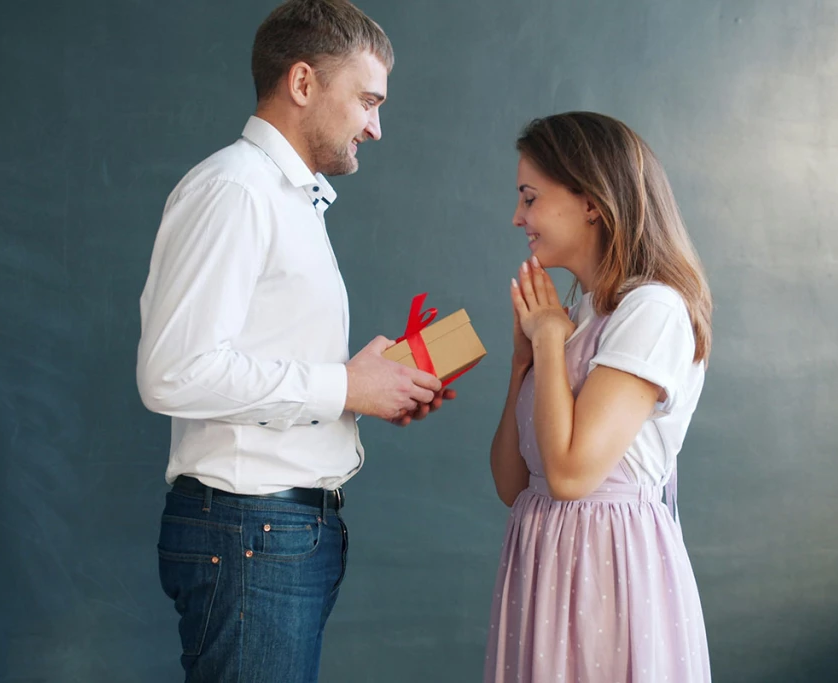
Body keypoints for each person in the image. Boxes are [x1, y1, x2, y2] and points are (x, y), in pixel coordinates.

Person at [135, 1, 451, 681]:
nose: (376, 126)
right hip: (252, 535)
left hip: (273, 537)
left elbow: (258, 360)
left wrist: (366, 387)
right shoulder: (236, 191)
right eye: (367, 100)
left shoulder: (285, 199)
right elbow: (172, 370)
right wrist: (342, 386)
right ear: (303, 83)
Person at [485, 111, 713, 682]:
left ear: (591, 201)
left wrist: (547, 341)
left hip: (605, 569)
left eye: (530, 198)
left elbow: (569, 476)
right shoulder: (579, 316)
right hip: (543, 561)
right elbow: (514, 485)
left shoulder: (652, 310)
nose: (518, 217)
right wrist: (523, 363)